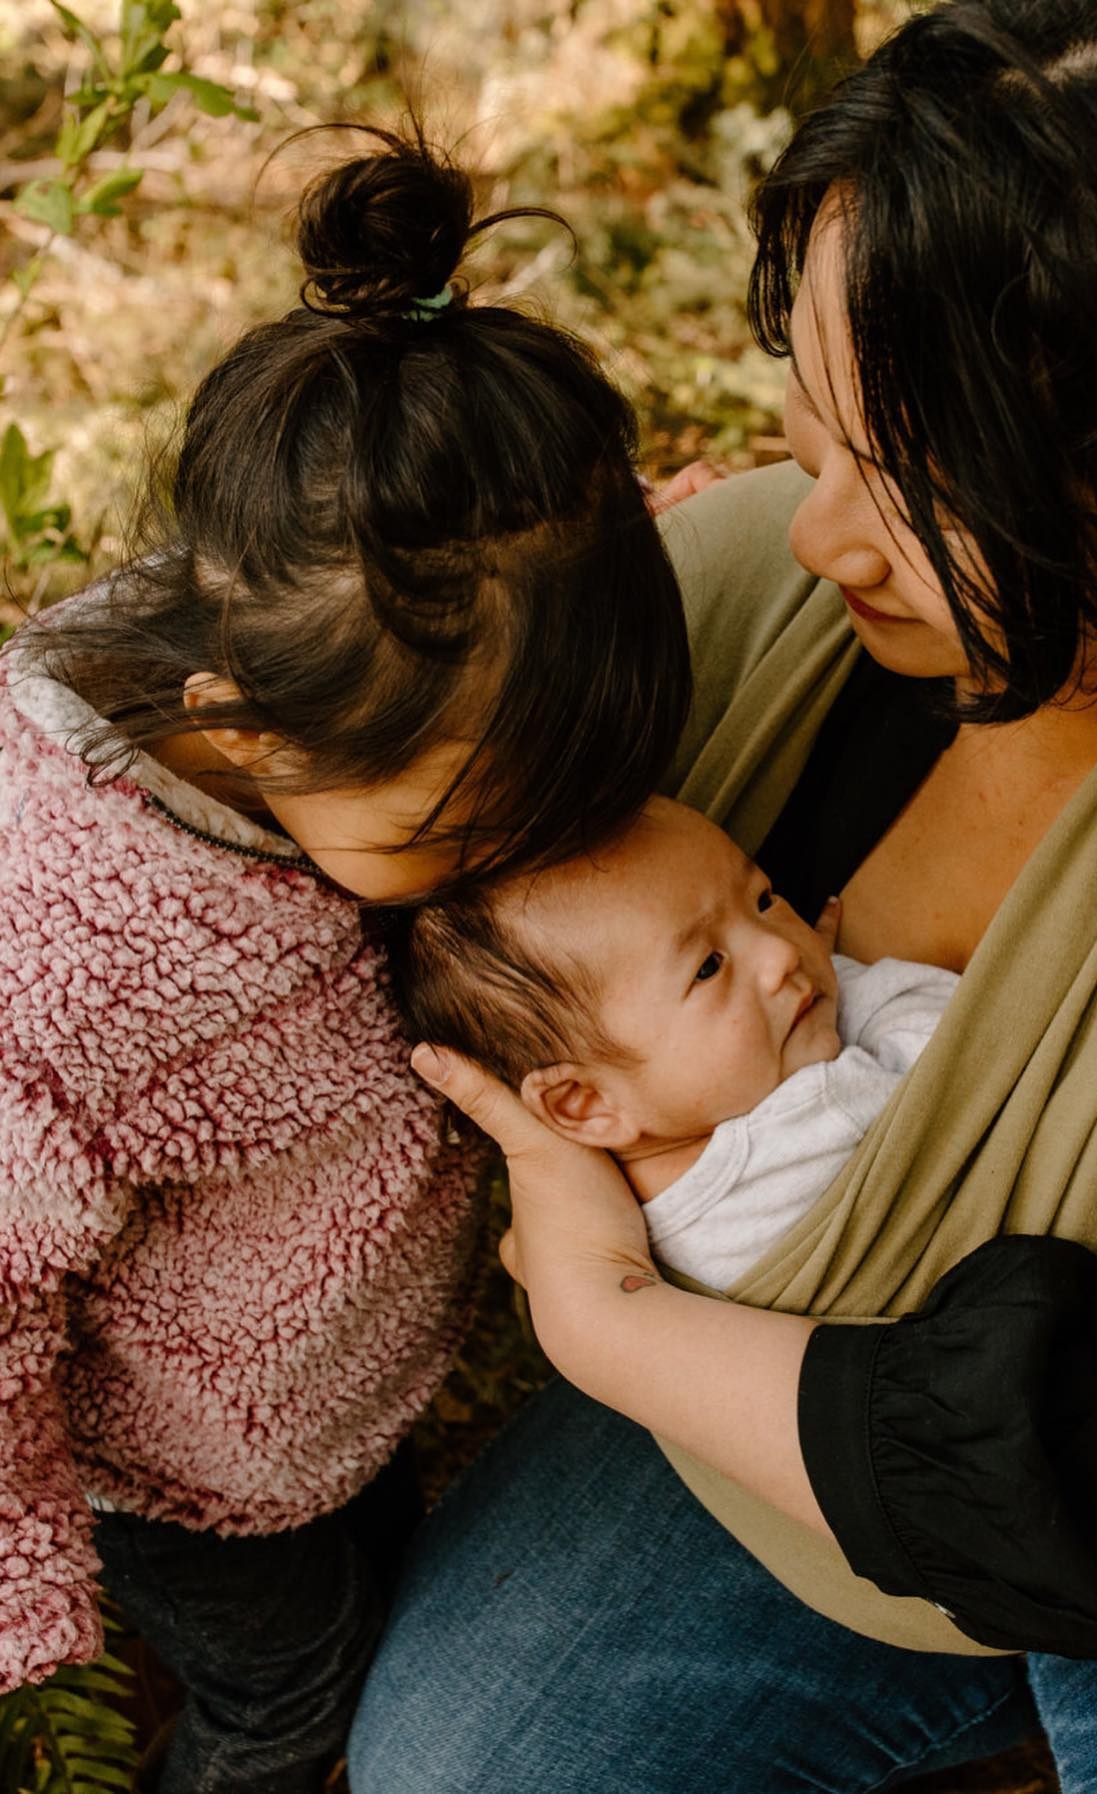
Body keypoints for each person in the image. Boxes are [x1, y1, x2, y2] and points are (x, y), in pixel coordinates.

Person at [347, 4, 1097, 1790]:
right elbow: (317, 790)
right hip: (762, 1418)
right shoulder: (763, 612)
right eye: (814, 431)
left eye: (916, 485)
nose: (812, 534)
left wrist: (605, 1319)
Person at [0, 125, 691, 1794]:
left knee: (370, 1592)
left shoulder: (384, 655)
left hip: (332, 1388)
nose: (511, 861)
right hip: (187, 1461)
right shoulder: (65, 942)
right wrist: (24, 1562)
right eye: (466, 830)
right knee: (289, 1691)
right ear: (240, 723)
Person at [390, 795, 958, 1287]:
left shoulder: (588, 1225)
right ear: (585, 1103)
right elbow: (962, 1048)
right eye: (708, 967)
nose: (782, 951)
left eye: (762, 901)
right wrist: (851, 986)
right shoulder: (821, 1119)